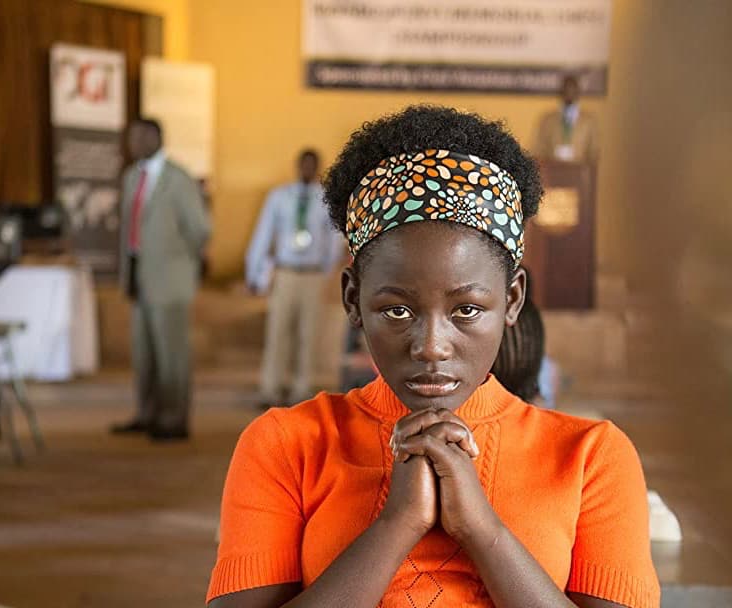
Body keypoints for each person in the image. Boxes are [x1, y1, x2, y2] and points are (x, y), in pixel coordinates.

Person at [208, 106, 658, 607]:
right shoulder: (286, 446)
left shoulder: (591, 459)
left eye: (466, 309)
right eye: (397, 310)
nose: (431, 346)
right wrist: (398, 524)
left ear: (511, 300)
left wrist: (483, 532)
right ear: (353, 299)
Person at [111, 119, 211, 442]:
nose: (132, 144)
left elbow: (199, 229)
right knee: (144, 353)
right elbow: (129, 230)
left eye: (138, 137)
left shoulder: (178, 179)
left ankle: (174, 419)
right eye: (130, 139)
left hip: (171, 279)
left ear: (155, 138)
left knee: (172, 355)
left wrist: (185, 265)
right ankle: (146, 413)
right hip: (139, 277)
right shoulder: (131, 178)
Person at [245, 149, 344, 408]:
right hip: (286, 271)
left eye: (313, 165)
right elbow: (264, 233)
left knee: (308, 332)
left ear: (318, 168)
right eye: (304, 164)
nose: (308, 169)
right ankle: (271, 387)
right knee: (278, 331)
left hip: (312, 274)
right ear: (298, 166)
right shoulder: (280, 196)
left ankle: (302, 389)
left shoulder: (325, 198)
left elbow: (334, 237)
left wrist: (326, 268)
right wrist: (254, 271)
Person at [534, 75, 600, 164]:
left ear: (578, 92)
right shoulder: (548, 120)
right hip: (553, 170)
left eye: (573, 90)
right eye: (566, 90)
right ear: (560, 92)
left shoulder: (589, 121)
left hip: (578, 171)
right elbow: (539, 148)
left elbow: (594, 152)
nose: (569, 93)